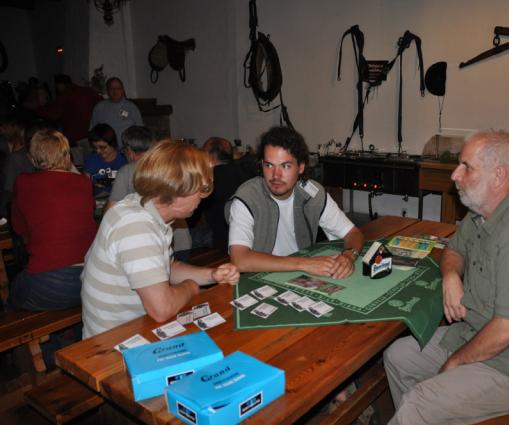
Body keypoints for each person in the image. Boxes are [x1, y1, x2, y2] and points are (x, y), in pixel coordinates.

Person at [383, 130, 509, 425]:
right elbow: (454, 251)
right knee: (398, 356)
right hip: (479, 330)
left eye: (466, 166)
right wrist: (451, 278)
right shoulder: (484, 213)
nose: (455, 175)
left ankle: (423, 413)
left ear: (498, 175)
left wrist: (456, 361)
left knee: (419, 403)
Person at [81, 140, 239, 338]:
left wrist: (212, 275)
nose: (202, 197)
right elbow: (161, 309)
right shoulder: (137, 228)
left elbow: (165, 268)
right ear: (176, 190)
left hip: (135, 330)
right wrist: (191, 286)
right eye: (199, 189)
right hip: (114, 345)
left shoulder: (141, 205)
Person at [226, 126, 363, 279]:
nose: (275, 175)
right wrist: (304, 264)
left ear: (301, 167)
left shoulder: (312, 194)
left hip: (301, 277)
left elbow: (353, 233)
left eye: (285, 166)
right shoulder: (247, 198)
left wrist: (349, 256)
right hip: (261, 279)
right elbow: (240, 260)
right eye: (269, 165)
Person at [8, 130, 96, 310]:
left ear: (31, 159)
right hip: (91, 278)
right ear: (67, 157)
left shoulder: (23, 182)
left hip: (48, 280)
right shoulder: (84, 183)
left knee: (12, 297)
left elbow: (19, 228)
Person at [105, 126, 192, 253]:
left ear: (129, 151)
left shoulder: (127, 170)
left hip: (149, 245)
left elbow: (110, 212)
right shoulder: (171, 165)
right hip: (181, 241)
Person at [200, 137, 254, 250]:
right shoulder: (246, 172)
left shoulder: (209, 178)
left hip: (219, 241)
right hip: (248, 238)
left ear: (212, 156)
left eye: (202, 153)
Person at [36, 74, 103, 165]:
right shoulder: (88, 91)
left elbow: (54, 114)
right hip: (91, 135)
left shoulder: (65, 95)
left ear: (60, 85)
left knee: (78, 165)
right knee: (93, 163)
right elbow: (101, 103)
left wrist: (38, 108)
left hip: (74, 137)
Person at [90, 77, 143, 148]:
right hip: (106, 151)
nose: (115, 91)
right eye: (112, 89)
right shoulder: (99, 108)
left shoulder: (132, 107)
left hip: (128, 151)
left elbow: (141, 130)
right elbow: (93, 131)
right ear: (107, 91)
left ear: (123, 90)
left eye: (118, 88)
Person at [0, 118, 34, 217]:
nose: (1, 131)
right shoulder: (5, 145)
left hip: (17, 203)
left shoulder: (24, 154)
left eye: (5, 128)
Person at [84, 123, 127, 196]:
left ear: (112, 143)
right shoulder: (91, 160)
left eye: (103, 147)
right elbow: (85, 187)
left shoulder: (124, 159)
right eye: (95, 147)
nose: (98, 151)